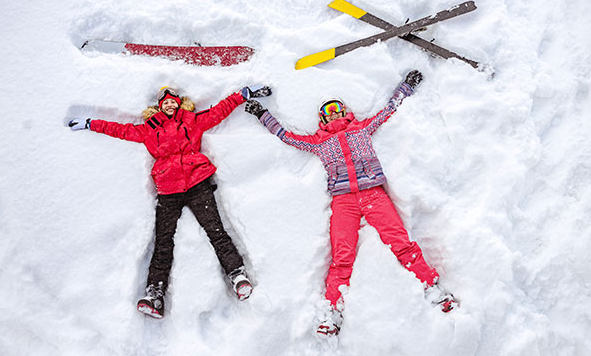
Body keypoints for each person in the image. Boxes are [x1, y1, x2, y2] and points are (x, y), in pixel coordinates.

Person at [244, 71, 457, 337]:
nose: (333, 113)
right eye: (328, 111)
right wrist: (263, 115)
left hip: (373, 194)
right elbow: (288, 137)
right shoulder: (320, 142)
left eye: (337, 108)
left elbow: (389, 109)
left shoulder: (362, 129)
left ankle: (434, 289)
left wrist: (406, 86)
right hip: (344, 201)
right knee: (342, 257)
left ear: (345, 111)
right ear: (322, 118)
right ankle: (332, 312)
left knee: (401, 243)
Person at [68, 85, 271, 318]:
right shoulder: (148, 129)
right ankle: (154, 294)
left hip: (198, 184)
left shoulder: (192, 120)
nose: (170, 104)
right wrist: (89, 123)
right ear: (159, 106)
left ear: (180, 103)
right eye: (165, 102)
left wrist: (243, 93)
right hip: (168, 190)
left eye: (173, 101)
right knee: (163, 242)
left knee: (216, 231)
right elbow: (119, 130)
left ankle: (238, 275)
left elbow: (220, 111)